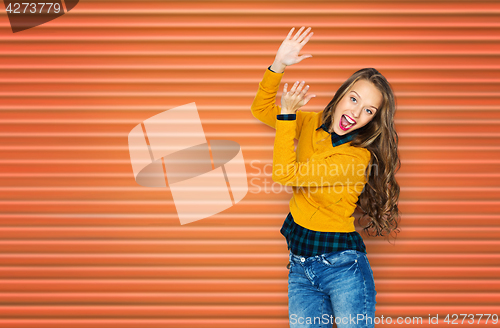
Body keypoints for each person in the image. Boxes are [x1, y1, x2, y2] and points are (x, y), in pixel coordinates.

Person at [250, 26, 401, 328]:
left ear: (373, 119)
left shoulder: (357, 158)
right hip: (300, 266)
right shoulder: (313, 123)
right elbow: (261, 109)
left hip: (342, 268)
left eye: (369, 110)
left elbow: (284, 174)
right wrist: (278, 65)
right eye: (354, 100)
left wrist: (288, 117)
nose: (357, 113)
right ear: (342, 94)